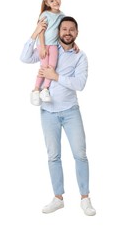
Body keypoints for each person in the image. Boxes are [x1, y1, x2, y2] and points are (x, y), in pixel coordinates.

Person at [20, 16, 96, 216]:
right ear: (58, 31)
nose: (67, 32)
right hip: (48, 112)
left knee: (80, 155)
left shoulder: (81, 56)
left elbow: (80, 84)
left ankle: (85, 198)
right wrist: (36, 32)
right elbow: (25, 57)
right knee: (53, 156)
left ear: (77, 33)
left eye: (72, 29)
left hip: (71, 111)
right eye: (64, 29)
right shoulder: (49, 50)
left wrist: (56, 77)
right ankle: (58, 198)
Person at [31, 0, 65, 105]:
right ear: (46, 3)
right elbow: (41, 31)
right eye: (52, 1)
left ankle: (45, 89)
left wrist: (73, 43)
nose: (56, 2)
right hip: (43, 44)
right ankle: (36, 90)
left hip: (54, 45)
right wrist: (43, 47)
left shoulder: (62, 15)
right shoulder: (45, 14)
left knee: (52, 67)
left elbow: (63, 32)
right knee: (44, 67)